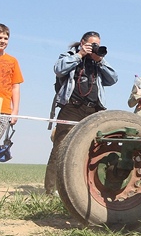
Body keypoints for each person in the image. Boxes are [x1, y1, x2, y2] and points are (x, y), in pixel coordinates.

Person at [44, 31, 118, 195]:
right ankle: (51, 190)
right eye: (92, 44)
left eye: (97, 45)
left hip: (94, 109)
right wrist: (80, 54)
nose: (95, 48)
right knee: (60, 147)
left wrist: (100, 61)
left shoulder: (98, 61)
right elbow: (58, 69)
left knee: (97, 148)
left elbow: (113, 79)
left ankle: (92, 190)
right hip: (72, 107)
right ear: (83, 42)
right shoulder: (70, 55)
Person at [0, 24, 23, 157]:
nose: (2, 41)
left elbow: (15, 86)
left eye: (5, 38)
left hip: (3, 110)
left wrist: (15, 111)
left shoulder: (12, 61)